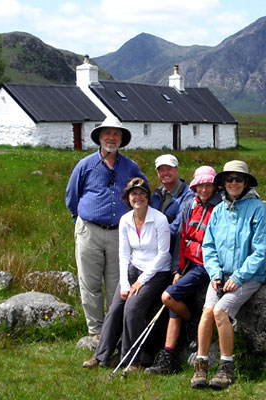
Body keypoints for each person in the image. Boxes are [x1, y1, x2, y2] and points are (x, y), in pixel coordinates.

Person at [190, 160, 266, 390]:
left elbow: (260, 251)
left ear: (246, 183)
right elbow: (209, 246)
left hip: (249, 277)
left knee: (220, 311)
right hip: (220, 274)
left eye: (238, 179)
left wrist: (238, 277)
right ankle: (201, 363)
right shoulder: (218, 210)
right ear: (223, 183)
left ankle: (226, 366)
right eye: (229, 179)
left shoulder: (258, 209)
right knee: (207, 313)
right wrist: (215, 274)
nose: (233, 183)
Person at [66, 116, 147, 344]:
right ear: (100, 138)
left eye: (116, 134)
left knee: (117, 283)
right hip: (89, 230)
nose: (111, 138)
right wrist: (78, 220)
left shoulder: (130, 167)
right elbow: (72, 196)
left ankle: (115, 330)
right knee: (90, 283)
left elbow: (143, 193)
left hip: (119, 233)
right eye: (107, 134)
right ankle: (96, 331)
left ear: (121, 139)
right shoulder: (85, 165)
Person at [82, 178, 172, 369]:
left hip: (156, 271)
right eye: (134, 194)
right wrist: (124, 283)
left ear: (148, 197)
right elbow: (124, 254)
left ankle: (131, 359)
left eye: (142, 194)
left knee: (132, 309)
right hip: (135, 267)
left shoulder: (159, 219)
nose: (138, 197)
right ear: (128, 198)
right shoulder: (125, 220)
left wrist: (141, 281)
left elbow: (163, 255)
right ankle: (101, 356)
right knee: (115, 309)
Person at [145, 166, 221, 375]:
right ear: (195, 186)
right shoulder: (190, 204)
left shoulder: (220, 207)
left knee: (169, 297)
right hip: (188, 264)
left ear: (214, 186)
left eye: (208, 185)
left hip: (205, 266)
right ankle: (168, 355)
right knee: (174, 305)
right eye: (200, 185)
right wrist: (176, 269)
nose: (204, 190)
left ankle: (192, 323)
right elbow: (181, 238)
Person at [151, 154, 195, 249]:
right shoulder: (155, 194)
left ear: (177, 169)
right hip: (156, 247)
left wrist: (152, 236)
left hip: (176, 250)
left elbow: (177, 226)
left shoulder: (188, 195)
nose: (165, 173)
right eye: (161, 170)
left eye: (169, 169)